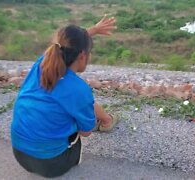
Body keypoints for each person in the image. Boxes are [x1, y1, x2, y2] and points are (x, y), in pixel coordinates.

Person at [11, 15, 117, 178]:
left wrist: (93, 30)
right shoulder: (78, 88)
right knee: (79, 106)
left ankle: (105, 119)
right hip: (52, 164)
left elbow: (67, 45)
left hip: (19, 154)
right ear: (82, 55)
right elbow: (86, 132)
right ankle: (106, 120)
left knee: (72, 104)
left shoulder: (42, 63)